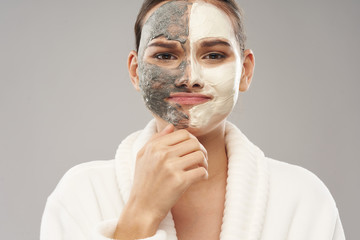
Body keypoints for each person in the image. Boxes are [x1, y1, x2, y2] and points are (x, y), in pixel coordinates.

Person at [40, 0, 346, 239]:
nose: (190, 78)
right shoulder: (79, 195)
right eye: (164, 55)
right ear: (135, 71)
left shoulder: (303, 199)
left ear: (245, 71)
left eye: (213, 55)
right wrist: (140, 214)